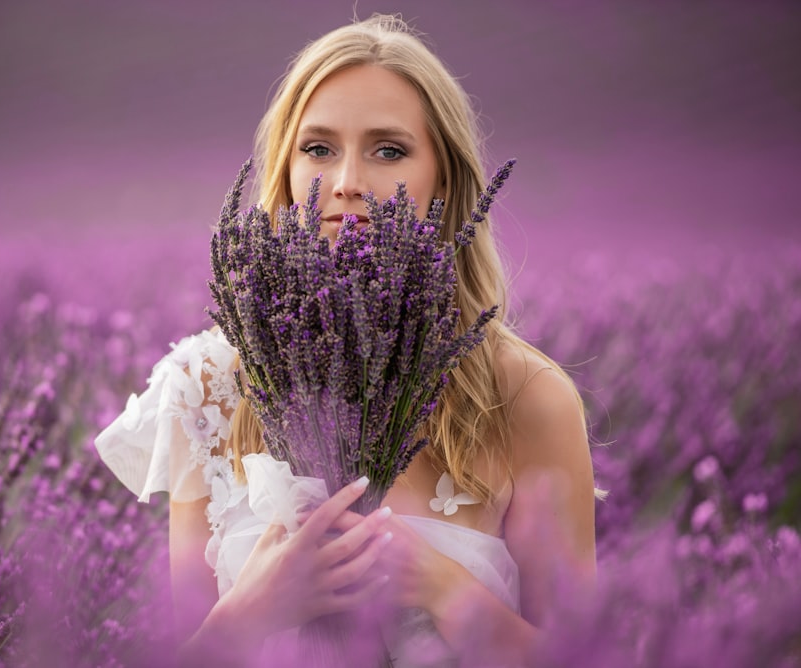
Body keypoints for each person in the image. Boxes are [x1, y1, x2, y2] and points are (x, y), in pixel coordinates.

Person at [95, 14, 597, 667]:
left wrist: (446, 591)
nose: (348, 181)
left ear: (443, 180)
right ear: (283, 171)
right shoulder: (206, 390)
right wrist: (256, 606)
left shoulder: (526, 397)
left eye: (389, 150)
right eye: (318, 148)